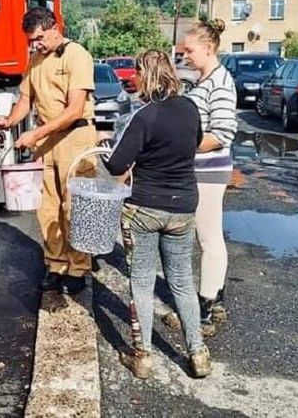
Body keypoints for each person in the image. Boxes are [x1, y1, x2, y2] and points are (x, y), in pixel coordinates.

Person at [102, 49, 210, 379]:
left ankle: (143, 356)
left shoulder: (144, 117)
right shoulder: (190, 109)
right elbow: (195, 143)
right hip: (182, 209)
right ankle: (198, 354)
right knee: (182, 283)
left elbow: (118, 165)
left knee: (142, 283)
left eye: (136, 73)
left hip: (145, 209)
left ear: (145, 76)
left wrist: (109, 148)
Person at [0, 7, 97, 295]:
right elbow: (26, 98)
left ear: (54, 28)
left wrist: (34, 134)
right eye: (30, 40)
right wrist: (9, 120)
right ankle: (56, 265)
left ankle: (78, 267)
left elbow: (75, 109)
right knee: (47, 208)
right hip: (46, 143)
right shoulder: (36, 59)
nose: (34, 44)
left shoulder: (77, 55)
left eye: (38, 38)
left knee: (74, 207)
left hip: (75, 137)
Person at [180, 19, 238, 337]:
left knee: (209, 238)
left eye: (189, 50)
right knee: (205, 237)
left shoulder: (219, 81)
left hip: (209, 168)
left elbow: (223, 132)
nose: (185, 56)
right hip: (199, 168)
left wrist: (183, 148)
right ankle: (214, 299)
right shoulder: (204, 81)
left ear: (209, 48)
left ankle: (205, 308)